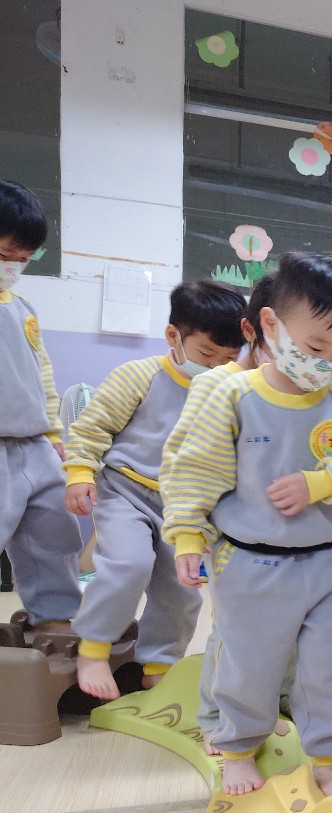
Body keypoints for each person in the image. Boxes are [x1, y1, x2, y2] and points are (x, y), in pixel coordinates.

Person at [163, 252, 332, 798]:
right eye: (315, 348)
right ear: (270, 325)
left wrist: (323, 482)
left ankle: (327, 756)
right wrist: (188, 536)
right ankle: (238, 747)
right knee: (249, 662)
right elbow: (193, 470)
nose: (327, 364)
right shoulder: (230, 394)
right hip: (252, 562)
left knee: (330, 666)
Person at [64, 279, 247, 699]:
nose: (216, 366)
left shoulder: (229, 393)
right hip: (125, 492)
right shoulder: (139, 376)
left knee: (182, 587)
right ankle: (93, 649)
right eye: (206, 354)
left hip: (181, 507)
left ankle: (159, 665)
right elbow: (92, 428)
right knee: (128, 564)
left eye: (228, 358)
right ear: (173, 336)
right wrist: (80, 474)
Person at [160, 274, 293, 754]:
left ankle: (278, 700)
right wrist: (188, 535)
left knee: (292, 625)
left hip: (287, 534)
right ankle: (218, 716)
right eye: (287, 345)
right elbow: (184, 465)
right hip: (231, 537)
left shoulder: (306, 390)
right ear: (253, 331)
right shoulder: (218, 385)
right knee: (236, 629)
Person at [0, 180, 83, 633]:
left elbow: (42, 374)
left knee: (53, 533)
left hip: (35, 445)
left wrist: (54, 434)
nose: (12, 267)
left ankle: (54, 618)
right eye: (3, 255)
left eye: (23, 260)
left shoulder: (23, 308)